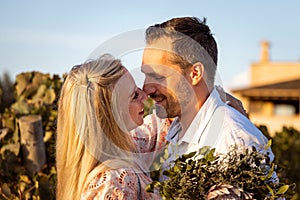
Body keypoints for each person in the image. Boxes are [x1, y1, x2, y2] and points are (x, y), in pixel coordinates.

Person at [141, 17, 275, 176]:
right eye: (146, 75)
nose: (146, 89)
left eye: (157, 77)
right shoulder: (174, 129)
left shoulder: (232, 143)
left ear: (195, 74)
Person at [56, 54, 165, 200]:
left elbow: (154, 128)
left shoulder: (121, 148)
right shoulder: (115, 182)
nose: (145, 96)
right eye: (134, 96)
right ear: (112, 115)